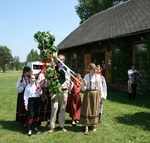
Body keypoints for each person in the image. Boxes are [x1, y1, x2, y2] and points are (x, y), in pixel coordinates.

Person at [48, 54, 70, 133]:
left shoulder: (66, 69)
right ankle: (52, 126)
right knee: (54, 107)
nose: (59, 61)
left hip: (63, 91)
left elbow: (68, 80)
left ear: (64, 60)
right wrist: (54, 86)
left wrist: (61, 87)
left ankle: (62, 125)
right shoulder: (53, 68)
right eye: (58, 59)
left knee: (63, 108)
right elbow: (49, 79)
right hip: (54, 91)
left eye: (61, 59)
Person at [80, 63, 104, 135]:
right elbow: (83, 89)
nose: (95, 71)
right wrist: (84, 84)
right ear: (90, 70)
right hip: (88, 94)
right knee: (87, 109)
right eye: (93, 70)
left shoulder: (99, 77)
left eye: (95, 69)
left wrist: (101, 96)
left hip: (96, 94)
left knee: (94, 109)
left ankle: (93, 125)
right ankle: (86, 126)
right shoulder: (86, 76)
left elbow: (100, 87)